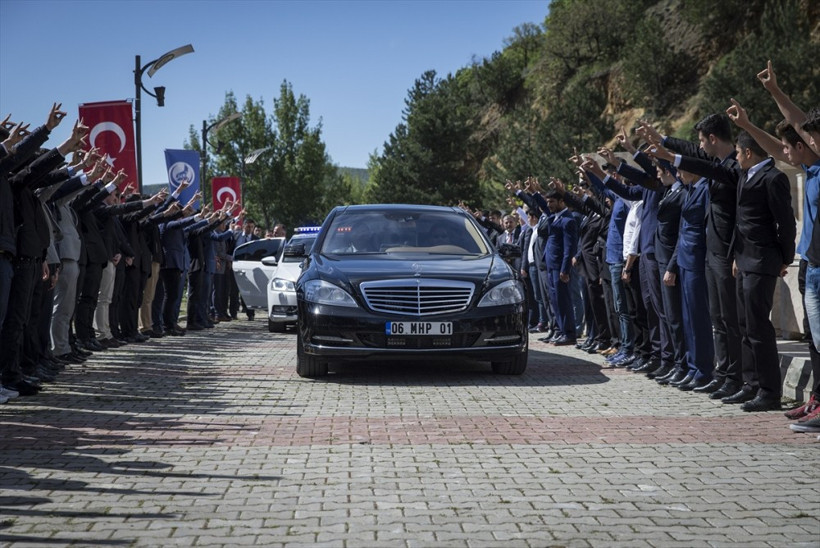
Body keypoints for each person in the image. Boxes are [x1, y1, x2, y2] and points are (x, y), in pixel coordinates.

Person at [669, 131, 796, 411]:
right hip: (743, 259)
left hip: (762, 261)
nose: (735, 157)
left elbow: (785, 224)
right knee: (743, 325)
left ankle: (769, 391)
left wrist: (784, 258)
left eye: (738, 152)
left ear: (749, 153)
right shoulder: (745, 175)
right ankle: (750, 385)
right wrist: (736, 255)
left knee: (759, 328)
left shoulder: (774, 178)